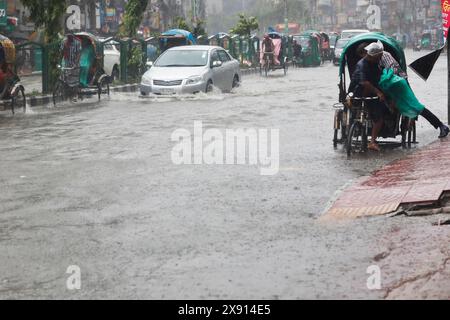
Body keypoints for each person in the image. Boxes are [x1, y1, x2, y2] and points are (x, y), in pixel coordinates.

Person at [348, 41, 389, 152]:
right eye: (379, 56)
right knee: (378, 118)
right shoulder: (362, 65)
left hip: (371, 92)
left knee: (380, 114)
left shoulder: (376, 63)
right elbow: (364, 82)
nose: (380, 58)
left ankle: (372, 140)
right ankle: (370, 140)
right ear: (372, 55)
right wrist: (378, 93)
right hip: (360, 92)